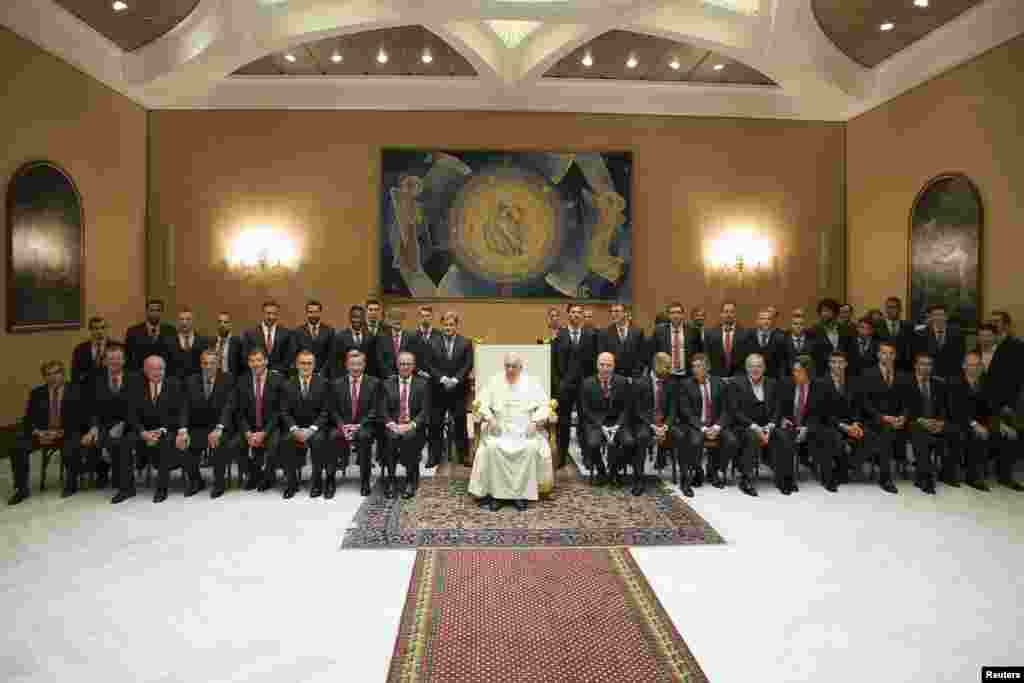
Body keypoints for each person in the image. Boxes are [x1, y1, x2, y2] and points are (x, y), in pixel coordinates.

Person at [469, 352, 552, 511]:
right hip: (499, 427)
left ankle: (519, 495)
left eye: (514, 366)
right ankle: (497, 495)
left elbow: (545, 405)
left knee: (530, 448)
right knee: (492, 448)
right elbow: (480, 403)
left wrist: (535, 421)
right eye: (507, 365)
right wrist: (490, 418)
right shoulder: (494, 381)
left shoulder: (531, 382)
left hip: (524, 428)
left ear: (521, 367)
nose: (510, 369)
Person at [8, 361, 80, 505]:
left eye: (56, 373)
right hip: (42, 434)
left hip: (66, 433)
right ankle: (21, 489)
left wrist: (60, 432)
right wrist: (38, 432)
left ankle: (71, 484)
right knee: (17, 446)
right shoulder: (37, 393)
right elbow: (28, 419)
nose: (53, 377)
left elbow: (80, 418)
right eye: (48, 374)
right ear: (44, 377)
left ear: (63, 374)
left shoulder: (75, 390)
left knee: (71, 444)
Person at [130, 355, 189, 503]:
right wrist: (143, 432)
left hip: (166, 429)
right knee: (124, 442)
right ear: (145, 370)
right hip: (144, 430)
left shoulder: (174, 384)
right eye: (153, 369)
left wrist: (181, 430)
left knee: (165, 443)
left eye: (160, 368)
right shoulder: (137, 386)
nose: (157, 372)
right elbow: (132, 414)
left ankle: (162, 489)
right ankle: (126, 488)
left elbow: (182, 409)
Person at [88, 345, 142, 503]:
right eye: (111, 359)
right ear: (105, 361)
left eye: (118, 358)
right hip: (105, 425)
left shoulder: (135, 378)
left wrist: (123, 424)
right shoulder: (97, 380)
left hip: (130, 423)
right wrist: (94, 427)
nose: (114, 362)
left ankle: (126, 488)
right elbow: (93, 407)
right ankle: (114, 478)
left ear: (124, 360)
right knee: (98, 441)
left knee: (122, 443)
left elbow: (137, 406)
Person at [226, 348, 284, 492]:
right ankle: (254, 474)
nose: (255, 364)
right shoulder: (242, 380)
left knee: (274, 446)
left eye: (259, 360)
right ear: (248, 363)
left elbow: (279, 411)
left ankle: (269, 477)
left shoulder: (278, 379)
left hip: (271, 426)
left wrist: (264, 433)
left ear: (266, 361)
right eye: (252, 361)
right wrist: (247, 433)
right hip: (249, 427)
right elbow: (238, 412)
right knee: (234, 445)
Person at [677, 353, 737, 489]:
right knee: (695, 441)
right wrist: (703, 428)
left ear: (707, 368)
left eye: (699, 366)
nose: (695, 369)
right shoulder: (686, 384)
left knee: (731, 441)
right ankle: (698, 471)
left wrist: (717, 427)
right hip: (697, 424)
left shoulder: (720, 383)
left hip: (716, 424)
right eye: (693, 367)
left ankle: (715, 470)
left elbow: (727, 409)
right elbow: (686, 412)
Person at [181, 349, 234, 498]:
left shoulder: (228, 379)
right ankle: (196, 481)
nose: (208, 366)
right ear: (201, 364)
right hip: (199, 426)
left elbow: (229, 406)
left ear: (218, 364)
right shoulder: (191, 380)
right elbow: (185, 407)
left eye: (212, 363)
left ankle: (219, 482)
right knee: (184, 443)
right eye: (205, 363)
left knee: (219, 443)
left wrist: (219, 428)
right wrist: (183, 429)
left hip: (220, 427)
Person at [773, 355, 830, 494]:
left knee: (828, 435)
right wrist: (782, 419)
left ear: (808, 372)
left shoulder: (820, 386)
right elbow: (778, 408)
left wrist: (807, 428)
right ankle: (786, 480)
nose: (795, 374)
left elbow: (820, 413)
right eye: (794, 371)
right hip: (790, 425)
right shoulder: (786, 384)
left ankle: (828, 477)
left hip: (809, 425)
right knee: (783, 438)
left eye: (799, 371)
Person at [905, 353, 960, 493]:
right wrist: (920, 419)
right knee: (919, 432)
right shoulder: (906, 382)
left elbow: (944, 408)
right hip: (913, 422)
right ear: (916, 365)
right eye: (922, 364)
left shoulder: (939, 384)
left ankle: (947, 473)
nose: (926, 367)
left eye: (929, 364)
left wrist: (940, 422)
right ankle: (926, 477)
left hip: (935, 423)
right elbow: (902, 407)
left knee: (955, 429)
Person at [553, 303, 599, 468]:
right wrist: (559, 383)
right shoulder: (560, 334)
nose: (576, 315)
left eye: (579, 312)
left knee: (585, 421)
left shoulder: (591, 334)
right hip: (565, 386)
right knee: (563, 423)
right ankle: (561, 456)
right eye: (573, 312)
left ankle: (587, 455)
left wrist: (593, 382)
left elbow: (595, 361)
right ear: (568, 314)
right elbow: (554, 362)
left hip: (585, 386)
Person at [380, 351, 430, 499]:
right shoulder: (387, 384)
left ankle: (410, 480)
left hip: (413, 426)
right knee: (391, 438)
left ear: (413, 366)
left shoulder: (423, 384)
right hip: (393, 425)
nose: (405, 367)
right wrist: (391, 424)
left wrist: (411, 425)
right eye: (402, 363)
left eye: (408, 364)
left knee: (409, 438)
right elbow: (382, 409)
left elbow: (425, 411)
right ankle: (391, 479)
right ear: (397, 365)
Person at [280, 350, 330, 499]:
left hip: (316, 427)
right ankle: (292, 483)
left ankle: (316, 482)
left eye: (309, 363)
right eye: (302, 363)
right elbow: (284, 412)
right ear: (296, 365)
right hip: (295, 427)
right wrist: (295, 429)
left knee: (318, 440)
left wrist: (312, 429)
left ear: (314, 365)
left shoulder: (323, 383)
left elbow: (326, 411)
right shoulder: (287, 384)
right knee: (287, 440)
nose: (306, 366)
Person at [579, 352, 634, 486]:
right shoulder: (587, 383)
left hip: (617, 423)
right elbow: (585, 410)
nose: (605, 368)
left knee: (629, 443)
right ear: (597, 365)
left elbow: (626, 408)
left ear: (614, 366)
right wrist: (600, 426)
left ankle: (615, 470)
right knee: (593, 444)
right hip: (596, 423)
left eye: (608, 365)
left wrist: (618, 425)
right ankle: (601, 470)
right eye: (602, 365)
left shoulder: (622, 382)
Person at [729, 353, 780, 496]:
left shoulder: (772, 383)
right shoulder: (736, 383)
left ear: (764, 368)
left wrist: (771, 425)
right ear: (746, 368)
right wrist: (753, 426)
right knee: (752, 437)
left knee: (783, 435)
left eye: (759, 366)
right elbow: (735, 411)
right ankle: (746, 479)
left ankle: (784, 476)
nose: (755, 369)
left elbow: (777, 408)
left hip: (767, 425)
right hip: (744, 426)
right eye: (752, 366)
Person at [329, 350, 379, 497]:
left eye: (359, 364)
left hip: (364, 426)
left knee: (364, 437)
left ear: (364, 365)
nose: (355, 368)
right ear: (346, 365)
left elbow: (375, 409)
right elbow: (332, 410)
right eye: (352, 364)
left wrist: (359, 425)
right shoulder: (336, 384)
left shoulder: (374, 383)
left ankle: (364, 481)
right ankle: (330, 480)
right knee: (332, 436)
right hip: (342, 425)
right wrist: (342, 425)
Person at [427, 311, 473, 468]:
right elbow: (429, 364)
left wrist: (455, 379)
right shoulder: (432, 342)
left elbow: (468, 364)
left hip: (458, 390)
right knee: (435, 424)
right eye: (446, 324)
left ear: (456, 325)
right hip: (438, 390)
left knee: (460, 423)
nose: (448, 327)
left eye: (451, 324)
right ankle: (434, 456)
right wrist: (442, 379)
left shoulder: (466, 342)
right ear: (442, 325)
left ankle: (463, 455)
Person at [859, 341, 905, 494]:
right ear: (878, 355)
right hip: (874, 419)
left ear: (895, 356)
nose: (888, 356)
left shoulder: (901, 375)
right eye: (884, 353)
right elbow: (864, 403)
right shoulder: (868, 373)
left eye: (891, 353)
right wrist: (883, 417)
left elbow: (907, 402)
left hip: (898, 421)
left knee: (892, 429)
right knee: (886, 431)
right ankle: (885, 478)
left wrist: (903, 417)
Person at [817, 351, 865, 492]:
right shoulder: (820, 382)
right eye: (834, 362)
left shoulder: (853, 382)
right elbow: (822, 411)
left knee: (870, 436)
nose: (837, 365)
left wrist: (856, 423)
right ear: (829, 364)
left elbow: (858, 406)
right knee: (835, 438)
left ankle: (844, 468)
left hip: (850, 424)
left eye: (840, 362)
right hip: (828, 424)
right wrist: (843, 426)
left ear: (846, 364)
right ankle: (830, 476)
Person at [949, 351, 995, 491]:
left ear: (981, 367)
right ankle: (973, 477)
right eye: (971, 365)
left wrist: (989, 425)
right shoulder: (955, 382)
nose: (974, 368)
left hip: (980, 423)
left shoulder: (986, 383)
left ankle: (1004, 476)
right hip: (959, 421)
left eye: (977, 365)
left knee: (1004, 434)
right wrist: (975, 424)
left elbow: (989, 409)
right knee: (975, 435)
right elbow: (955, 409)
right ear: (964, 366)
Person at [632, 352, 675, 496]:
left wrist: (665, 426)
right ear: (657, 366)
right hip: (647, 422)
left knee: (682, 435)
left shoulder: (671, 383)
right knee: (642, 437)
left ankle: (689, 476)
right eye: (667, 367)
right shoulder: (640, 383)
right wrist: (653, 426)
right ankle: (639, 479)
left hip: (665, 423)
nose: (670, 371)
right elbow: (638, 410)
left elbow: (673, 410)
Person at [648, 301, 700, 382]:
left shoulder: (693, 331)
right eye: (672, 313)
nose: (676, 315)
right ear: (668, 315)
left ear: (683, 315)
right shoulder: (659, 331)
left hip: (688, 376)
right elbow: (652, 354)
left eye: (678, 312)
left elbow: (698, 353)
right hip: (667, 376)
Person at [242, 300, 294, 377]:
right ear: (263, 313)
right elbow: (245, 356)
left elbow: (289, 357)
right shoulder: (250, 334)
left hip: (279, 377)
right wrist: (260, 369)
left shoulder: (286, 333)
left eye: (274, 314)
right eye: (268, 313)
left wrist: (276, 371)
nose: (271, 317)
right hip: (256, 376)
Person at [914, 304, 965, 381]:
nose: (939, 318)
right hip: (929, 378)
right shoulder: (921, 334)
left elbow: (961, 357)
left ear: (946, 317)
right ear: (931, 317)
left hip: (952, 378)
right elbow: (918, 358)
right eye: (935, 315)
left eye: (941, 315)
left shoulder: (957, 334)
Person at [124, 298, 175, 371]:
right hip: (139, 373)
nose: (154, 313)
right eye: (151, 310)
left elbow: (172, 356)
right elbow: (128, 356)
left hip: (164, 373)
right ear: (146, 311)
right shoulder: (133, 331)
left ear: (161, 312)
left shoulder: (170, 331)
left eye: (158, 310)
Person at [599, 303, 646, 380]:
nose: (613, 314)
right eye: (612, 311)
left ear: (626, 313)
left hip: (633, 377)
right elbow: (603, 356)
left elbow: (641, 356)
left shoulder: (637, 332)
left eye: (617, 311)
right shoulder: (605, 333)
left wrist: (636, 375)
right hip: (612, 377)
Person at [328, 304, 375, 380]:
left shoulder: (370, 337)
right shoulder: (339, 337)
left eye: (359, 317)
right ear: (350, 318)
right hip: (345, 380)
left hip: (365, 381)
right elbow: (334, 363)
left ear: (364, 318)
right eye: (354, 317)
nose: (356, 320)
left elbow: (372, 363)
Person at [811, 298, 854, 378]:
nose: (824, 314)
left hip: (843, 372)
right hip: (822, 374)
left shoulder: (845, 329)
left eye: (828, 311)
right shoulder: (813, 330)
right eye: (822, 311)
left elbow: (850, 351)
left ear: (835, 312)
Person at [737, 308, 785, 379]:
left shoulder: (780, 338)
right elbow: (742, 360)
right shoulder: (747, 336)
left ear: (772, 321)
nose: (766, 321)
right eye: (762, 319)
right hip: (751, 378)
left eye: (769, 319)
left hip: (772, 380)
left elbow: (782, 364)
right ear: (757, 321)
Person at [71, 316, 118, 386]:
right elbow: (75, 376)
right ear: (90, 330)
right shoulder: (80, 349)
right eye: (96, 328)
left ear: (107, 329)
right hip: (88, 391)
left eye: (103, 328)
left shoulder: (117, 347)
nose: (100, 331)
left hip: (111, 390)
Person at [704, 301, 747, 377]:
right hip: (716, 377)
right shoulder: (709, 334)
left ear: (735, 314)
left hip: (738, 378)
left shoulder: (745, 334)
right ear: (721, 314)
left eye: (732, 312)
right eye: (726, 311)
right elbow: (707, 358)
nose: (728, 314)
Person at [376, 308, 422, 380]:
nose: (397, 321)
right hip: (387, 378)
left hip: (408, 377)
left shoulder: (412, 337)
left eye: (400, 318)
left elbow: (415, 358)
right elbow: (380, 360)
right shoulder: (381, 338)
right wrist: (389, 374)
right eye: (394, 318)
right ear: (389, 321)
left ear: (404, 320)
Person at [292, 300, 334, 376]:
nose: (313, 315)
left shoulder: (329, 331)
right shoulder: (297, 332)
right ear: (307, 313)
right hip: (303, 374)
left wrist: (322, 373)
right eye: (310, 312)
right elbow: (295, 355)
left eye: (316, 312)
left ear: (320, 313)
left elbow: (331, 356)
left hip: (324, 375)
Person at [166, 307, 210, 380]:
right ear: (178, 321)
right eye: (181, 319)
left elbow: (206, 366)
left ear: (193, 321)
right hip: (175, 385)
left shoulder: (203, 342)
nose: (184, 322)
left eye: (188, 319)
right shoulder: (169, 342)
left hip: (196, 384)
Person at [879, 296, 914, 372]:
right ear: (886, 309)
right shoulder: (878, 326)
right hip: (883, 367)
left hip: (903, 368)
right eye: (889, 307)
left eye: (894, 307)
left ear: (900, 309)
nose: (891, 310)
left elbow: (911, 348)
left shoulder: (908, 326)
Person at [781, 308, 816, 377]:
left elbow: (815, 362)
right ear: (791, 325)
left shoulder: (813, 340)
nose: (798, 326)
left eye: (801, 324)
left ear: (805, 326)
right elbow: (782, 364)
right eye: (795, 324)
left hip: (808, 377)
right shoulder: (783, 340)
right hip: (789, 378)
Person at [212, 311, 245, 377]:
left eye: (225, 322)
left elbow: (243, 366)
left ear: (230, 325)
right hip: (214, 380)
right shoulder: (211, 342)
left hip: (232, 381)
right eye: (220, 322)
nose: (222, 325)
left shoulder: (238, 343)